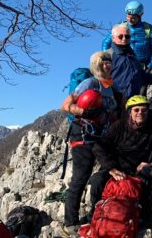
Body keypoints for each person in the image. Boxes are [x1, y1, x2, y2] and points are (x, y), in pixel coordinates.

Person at [89, 95, 152, 229]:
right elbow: (98, 146)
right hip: (117, 168)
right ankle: (96, 215)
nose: (140, 113)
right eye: (136, 110)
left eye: (144, 110)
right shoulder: (119, 126)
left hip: (137, 170)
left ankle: (145, 216)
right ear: (130, 112)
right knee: (97, 180)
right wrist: (111, 168)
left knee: (150, 177)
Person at [60, 51, 118, 235]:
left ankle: (98, 213)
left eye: (110, 61)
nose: (107, 64)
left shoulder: (111, 87)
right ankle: (70, 222)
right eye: (104, 61)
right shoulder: (90, 83)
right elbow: (66, 105)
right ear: (97, 64)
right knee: (80, 177)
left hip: (101, 137)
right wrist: (83, 112)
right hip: (82, 135)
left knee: (107, 171)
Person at [107, 24, 152, 103]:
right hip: (115, 103)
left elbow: (143, 78)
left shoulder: (133, 58)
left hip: (133, 102)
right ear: (113, 38)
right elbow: (101, 79)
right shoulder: (108, 56)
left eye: (127, 36)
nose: (124, 39)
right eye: (120, 36)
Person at [102, 1, 152, 73]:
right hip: (122, 67)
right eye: (128, 17)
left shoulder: (148, 28)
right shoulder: (121, 27)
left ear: (140, 15)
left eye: (133, 18)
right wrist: (108, 61)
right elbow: (106, 43)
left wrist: (149, 67)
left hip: (140, 69)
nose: (130, 20)